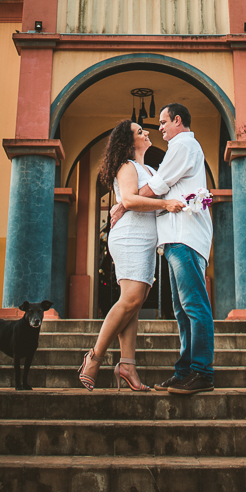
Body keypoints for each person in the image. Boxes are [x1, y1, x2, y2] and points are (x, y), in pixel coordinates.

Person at [77, 119, 184, 392]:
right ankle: (94, 357)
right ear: (129, 142)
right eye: (140, 132)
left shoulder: (149, 168)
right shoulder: (127, 166)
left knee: (135, 302)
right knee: (132, 298)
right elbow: (130, 200)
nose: (146, 132)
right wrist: (165, 203)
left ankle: (127, 365)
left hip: (147, 241)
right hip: (129, 237)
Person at [116, 103, 215, 395]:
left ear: (178, 121)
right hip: (174, 239)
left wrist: (126, 201)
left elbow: (158, 184)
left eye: (163, 122)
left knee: (194, 306)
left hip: (185, 237)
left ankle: (201, 372)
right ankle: (184, 371)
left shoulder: (184, 145)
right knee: (182, 310)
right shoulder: (180, 147)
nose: (158, 128)